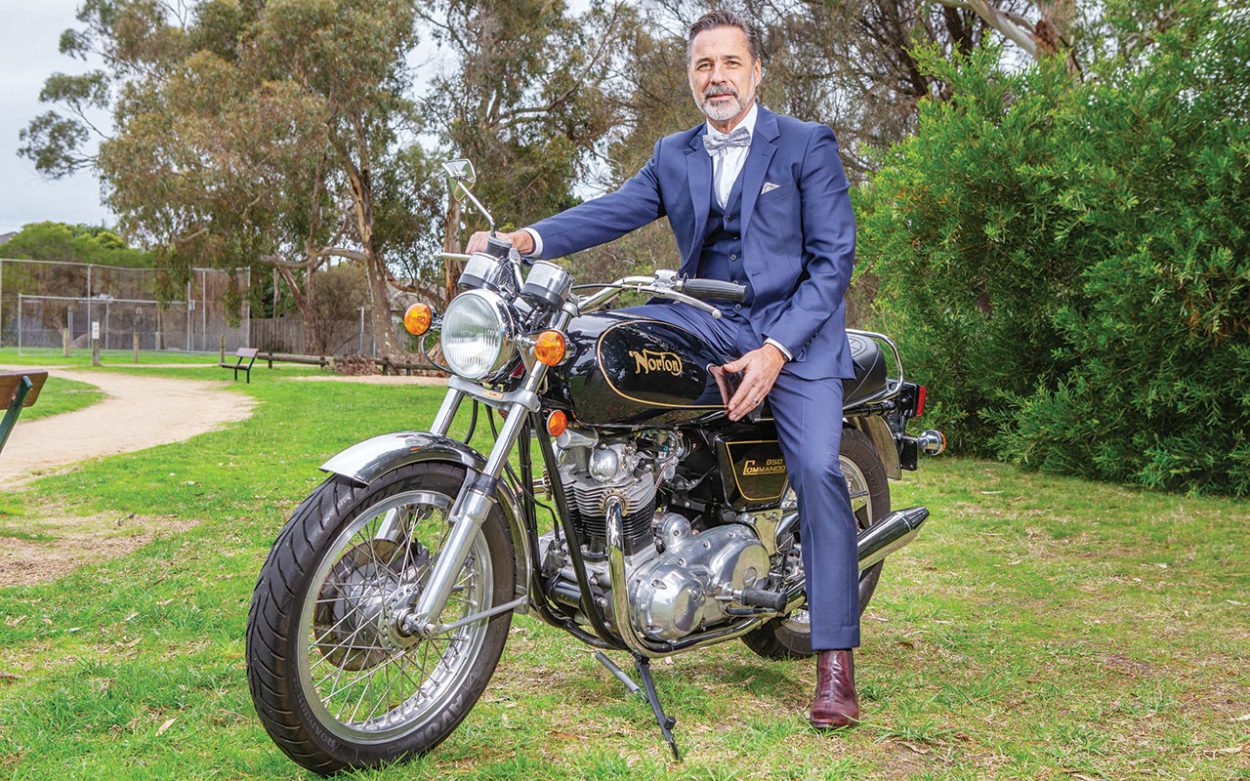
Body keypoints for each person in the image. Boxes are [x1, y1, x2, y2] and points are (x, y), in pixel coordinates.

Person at [467, 9, 861, 729]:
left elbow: (832, 266)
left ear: (757, 71)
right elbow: (614, 210)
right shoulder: (674, 152)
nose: (717, 76)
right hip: (706, 319)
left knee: (817, 468)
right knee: (598, 352)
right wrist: (527, 238)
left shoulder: (806, 145)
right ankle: (631, 527)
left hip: (793, 336)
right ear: (690, 77)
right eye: (703, 65)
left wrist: (776, 351)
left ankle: (835, 659)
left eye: (730, 63)